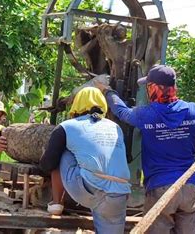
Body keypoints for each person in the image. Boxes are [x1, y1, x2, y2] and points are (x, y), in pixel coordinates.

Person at [97, 65, 195, 234]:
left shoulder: (146, 114)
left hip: (161, 188)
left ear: (154, 88)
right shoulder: (193, 110)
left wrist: (109, 92)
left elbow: (122, 112)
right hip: (190, 187)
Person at [39, 87, 131, 234]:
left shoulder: (67, 126)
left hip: (88, 192)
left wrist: (45, 154)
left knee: (63, 151)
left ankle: (56, 203)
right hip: (120, 194)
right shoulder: (116, 127)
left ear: (76, 105)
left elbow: (48, 164)